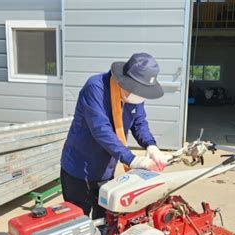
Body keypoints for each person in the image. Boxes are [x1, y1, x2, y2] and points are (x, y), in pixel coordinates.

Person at [60, 53, 170, 219]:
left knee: (106, 220)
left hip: (106, 168)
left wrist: (151, 145)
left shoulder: (134, 95)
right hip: (80, 168)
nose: (138, 96)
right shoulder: (95, 88)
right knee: (78, 223)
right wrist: (132, 159)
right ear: (124, 80)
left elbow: (139, 122)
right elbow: (101, 129)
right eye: (135, 90)